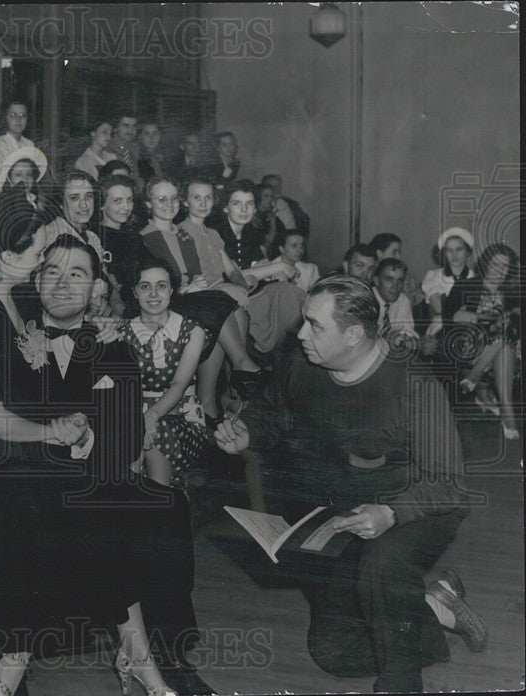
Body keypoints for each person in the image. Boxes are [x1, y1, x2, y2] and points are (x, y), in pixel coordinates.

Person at [0, 220, 210, 695]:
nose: (63, 282)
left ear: (97, 286)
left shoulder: (113, 343)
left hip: (86, 472)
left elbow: (125, 433)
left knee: (162, 508)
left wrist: (86, 439)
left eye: (77, 273)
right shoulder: (10, 335)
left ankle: (155, 656)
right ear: (35, 281)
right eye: (52, 271)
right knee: (57, 514)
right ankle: (126, 663)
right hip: (19, 476)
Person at [215, 274, 486, 693]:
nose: (300, 332)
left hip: (414, 506)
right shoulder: (302, 362)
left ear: (355, 334)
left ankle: (401, 680)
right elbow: (275, 413)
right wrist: (248, 432)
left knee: (382, 562)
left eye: (314, 325)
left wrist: (391, 512)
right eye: (304, 320)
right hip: (339, 512)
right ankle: (433, 605)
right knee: (335, 653)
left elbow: (449, 482)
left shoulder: (414, 385)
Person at [141, 177, 265, 416]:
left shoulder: (182, 235)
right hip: (168, 300)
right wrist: (185, 289)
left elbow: (195, 273)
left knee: (222, 308)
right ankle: (240, 365)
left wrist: (196, 284)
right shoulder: (147, 237)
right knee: (216, 303)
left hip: (192, 296)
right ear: (148, 204)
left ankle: (210, 400)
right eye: (161, 199)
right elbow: (153, 280)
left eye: (173, 198)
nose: (169, 204)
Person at [119, 255, 210, 490]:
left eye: (161, 286)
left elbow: (179, 385)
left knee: (157, 431)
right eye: (145, 286)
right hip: (135, 415)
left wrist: (151, 415)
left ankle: (160, 498)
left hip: (182, 416)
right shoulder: (123, 333)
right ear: (134, 292)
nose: (153, 294)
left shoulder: (191, 331)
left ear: (172, 290)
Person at [208, 181, 306, 356]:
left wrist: (270, 271)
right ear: (225, 208)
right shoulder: (217, 233)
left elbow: (260, 267)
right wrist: (279, 266)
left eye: (249, 204)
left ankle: (285, 355)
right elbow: (234, 276)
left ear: (255, 209)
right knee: (286, 295)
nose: (244, 209)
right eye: (236, 203)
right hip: (228, 296)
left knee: (293, 294)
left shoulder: (250, 234)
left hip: (254, 293)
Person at [444, 243, 521, 440]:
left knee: (506, 334)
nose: (500, 271)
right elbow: (453, 318)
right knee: (504, 325)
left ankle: (473, 380)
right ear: (486, 264)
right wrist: (483, 317)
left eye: (505, 266)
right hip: (469, 346)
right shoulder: (467, 285)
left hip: (506, 349)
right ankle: (508, 414)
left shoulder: (511, 294)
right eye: (496, 264)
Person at [422, 227, 475, 340]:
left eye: (459, 249)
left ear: (467, 252)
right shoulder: (434, 276)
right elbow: (438, 308)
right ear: (444, 253)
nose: (454, 255)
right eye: (449, 250)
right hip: (440, 331)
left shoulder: (474, 277)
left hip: (469, 331)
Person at [371, 257, 417, 342]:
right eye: (389, 279)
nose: (395, 286)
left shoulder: (403, 300)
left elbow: (408, 332)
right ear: (376, 280)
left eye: (400, 280)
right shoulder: (366, 300)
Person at [0, 100, 34, 172]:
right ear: (6, 118)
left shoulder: (29, 144)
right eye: (13, 115)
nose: (18, 120)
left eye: (22, 115)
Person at [273, 228, 319, 292]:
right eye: (294, 246)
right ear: (281, 249)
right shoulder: (270, 269)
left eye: (301, 246)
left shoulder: (311, 269)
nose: (299, 250)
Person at [108, 111, 142, 186]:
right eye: (126, 126)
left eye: (134, 126)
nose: (130, 130)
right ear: (115, 128)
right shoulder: (106, 150)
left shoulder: (135, 148)